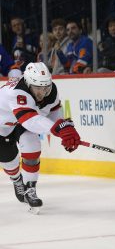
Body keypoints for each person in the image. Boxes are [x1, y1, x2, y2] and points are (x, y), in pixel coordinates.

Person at [0, 62, 81, 211]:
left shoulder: (52, 90)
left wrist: (64, 129)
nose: (42, 92)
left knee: (32, 145)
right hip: (3, 125)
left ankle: (30, 189)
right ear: (28, 83)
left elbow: (54, 112)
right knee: (8, 161)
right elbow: (30, 120)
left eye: (45, 87)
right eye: (37, 88)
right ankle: (17, 179)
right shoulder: (17, 92)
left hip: (20, 121)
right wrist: (59, 129)